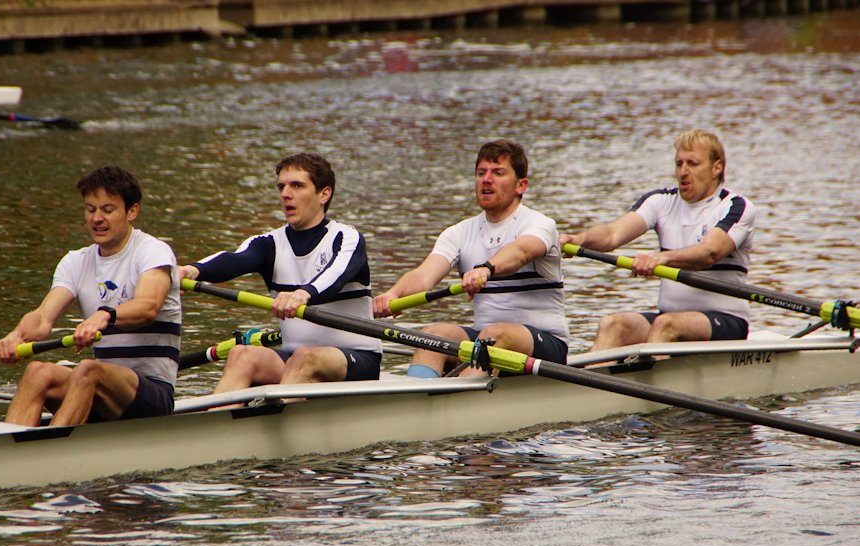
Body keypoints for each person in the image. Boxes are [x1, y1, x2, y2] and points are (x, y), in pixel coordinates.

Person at [178, 153, 381, 396]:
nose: (285, 193)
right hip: (293, 358)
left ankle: (271, 425)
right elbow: (235, 258)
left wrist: (303, 294)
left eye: (297, 185)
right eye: (281, 186)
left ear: (323, 194)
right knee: (241, 354)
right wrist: (192, 270)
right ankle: (216, 423)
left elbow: (336, 275)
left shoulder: (347, 237)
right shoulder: (269, 243)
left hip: (357, 359)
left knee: (305, 358)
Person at [0, 166, 182, 427]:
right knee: (38, 371)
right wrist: (17, 336)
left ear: (132, 212)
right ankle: (9, 449)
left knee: (88, 369)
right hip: (101, 391)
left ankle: (49, 453)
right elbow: (42, 318)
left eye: (107, 209)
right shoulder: (76, 261)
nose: (97, 218)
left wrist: (105, 314)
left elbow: (148, 306)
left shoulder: (153, 252)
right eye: (90, 209)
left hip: (152, 393)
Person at [373, 139, 569, 377]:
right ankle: (416, 398)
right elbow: (424, 276)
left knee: (494, 335)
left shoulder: (539, 224)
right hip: (486, 342)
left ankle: (455, 404)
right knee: (432, 335)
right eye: (481, 173)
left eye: (498, 173)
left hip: (545, 345)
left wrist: (487, 269)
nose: (486, 179)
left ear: (521, 186)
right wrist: (393, 295)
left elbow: (522, 252)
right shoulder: (459, 232)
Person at [559, 128, 757, 351]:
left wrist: (661, 258)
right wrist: (580, 239)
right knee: (613, 324)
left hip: (726, 321)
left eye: (692, 163)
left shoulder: (736, 206)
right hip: (669, 319)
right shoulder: (660, 202)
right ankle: (593, 384)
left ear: (716, 167)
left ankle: (645, 381)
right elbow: (612, 234)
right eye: (679, 163)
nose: (683, 171)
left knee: (665, 325)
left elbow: (709, 253)